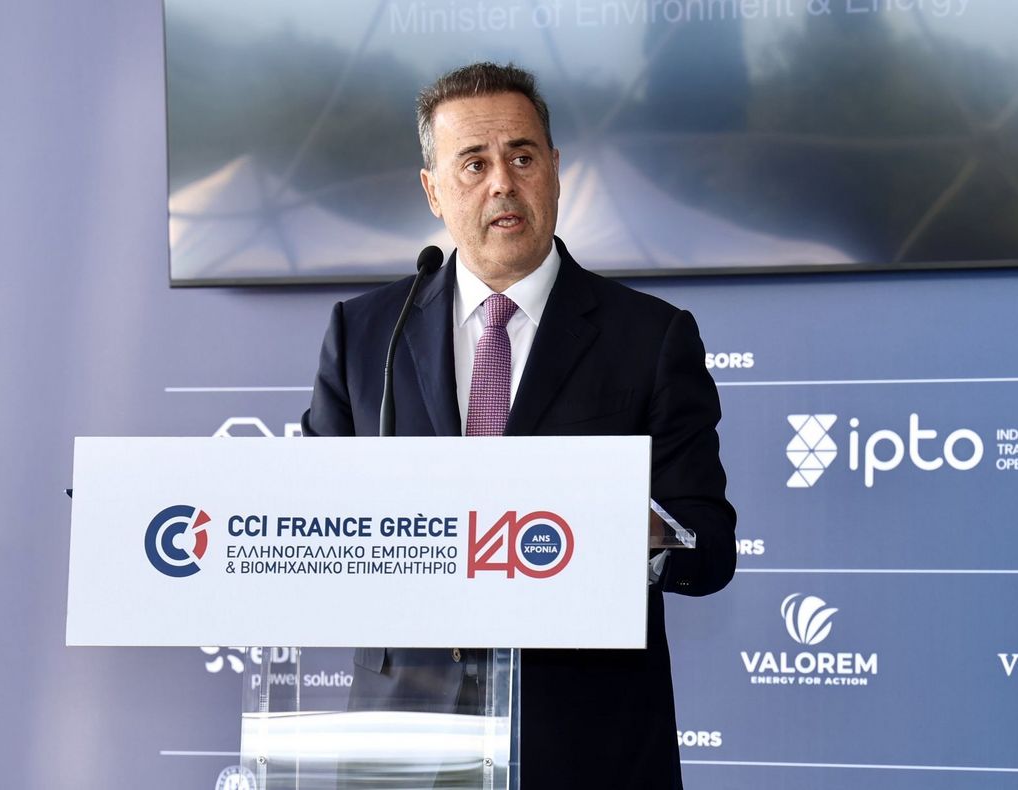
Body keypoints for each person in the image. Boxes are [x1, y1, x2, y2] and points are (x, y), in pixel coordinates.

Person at [300, 62, 736, 789]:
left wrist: (633, 535)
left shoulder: (650, 338)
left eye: (522, 156)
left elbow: (710, 544)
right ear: (433, 190)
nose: (502, 182)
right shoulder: (366, 334)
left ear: (555, 171)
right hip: (405, 739)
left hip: (586, 744)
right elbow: (310, 516)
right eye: (474, 163)